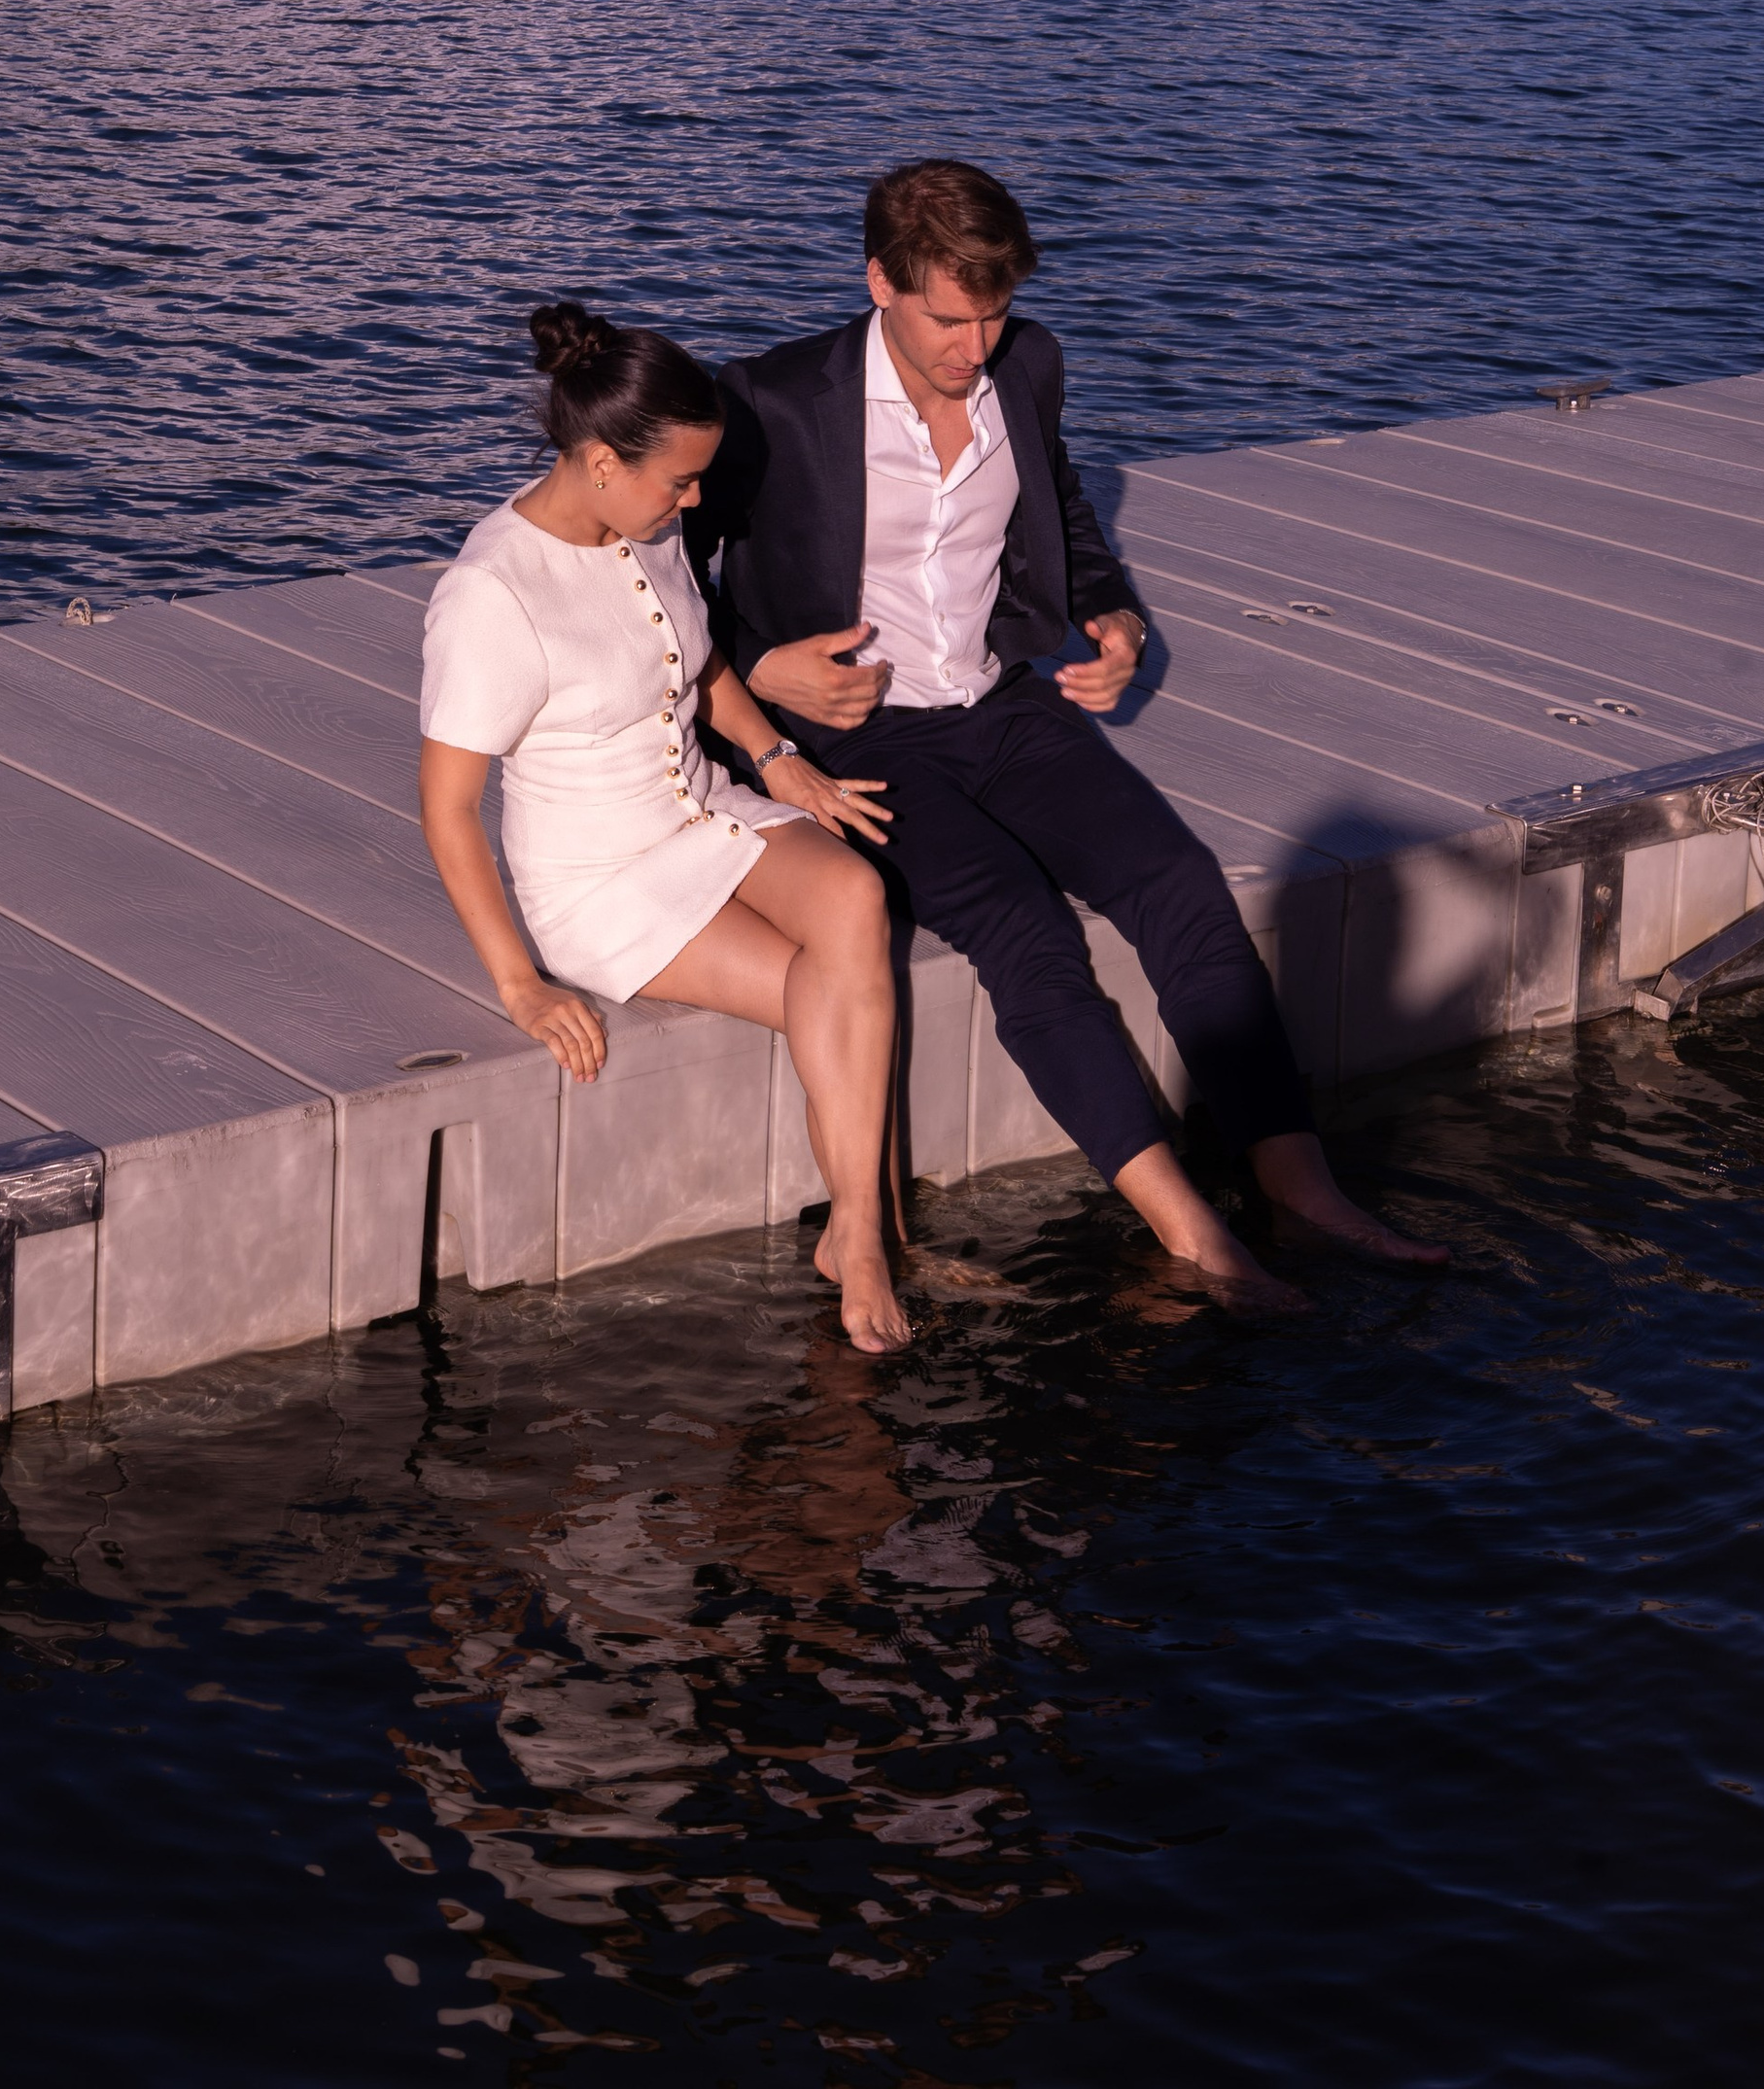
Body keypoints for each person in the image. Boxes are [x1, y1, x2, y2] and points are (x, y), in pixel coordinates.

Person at [689, 159, 1447, 1306]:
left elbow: (1063, 509)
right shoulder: (769, 400)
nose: (974, 345)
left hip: (1000, 702)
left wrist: (1112, 613)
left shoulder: (1027, 365)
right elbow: (650, 571)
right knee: (1022, 930)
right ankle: (1188, 1230)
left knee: (1177, 882)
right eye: (949, 316)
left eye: (991, 313)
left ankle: (1299, 1183)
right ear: (878, 282)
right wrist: (759, 674)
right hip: (861, 734)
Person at [418, 301, 915, 1354]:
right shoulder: (492, 594)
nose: (694, 499)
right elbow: (449, 806)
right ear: (600, 461)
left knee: (856, 898)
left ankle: (857, 1228)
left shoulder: (647, 523)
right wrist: (521, 983)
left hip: (705, 809)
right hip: (601, 879)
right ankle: (860, 1235)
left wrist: (783, 760)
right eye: (678, 481)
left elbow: (702, 662)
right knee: (814, 983)